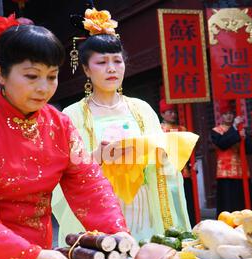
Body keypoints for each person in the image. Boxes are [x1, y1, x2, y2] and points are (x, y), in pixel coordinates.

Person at [0, 14, 131, 259]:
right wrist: (30, 255)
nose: (44, 87)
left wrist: (118, 234)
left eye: (52, 76)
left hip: (41, 249)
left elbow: (89, 185)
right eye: (32, 76)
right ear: (0, 74)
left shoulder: (59, 125)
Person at [52, 7, 191, 244]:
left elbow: (164, 158)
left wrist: (158, 152)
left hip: (143, 201)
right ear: (86, 69)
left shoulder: (141, 108)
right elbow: (62, 169)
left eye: (117, 61)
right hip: (100, 205)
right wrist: (97, 156)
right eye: (102, 62)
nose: (111, 68)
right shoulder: (72, 114)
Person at [211, 100, 252, 215]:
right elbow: (223, 144)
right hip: (225, 173)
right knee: (227, 205)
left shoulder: (241, 129)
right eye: (225, 114)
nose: (228, 116)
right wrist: (234, 128)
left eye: (230, 113)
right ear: (221, 116)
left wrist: (244, 138)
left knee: (243, 203)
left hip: (242, 171)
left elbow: (250, 149)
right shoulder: (216, 131)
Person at [160, 99, 196, 226]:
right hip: (167, 171)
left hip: (184, 171)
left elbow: (189, 149)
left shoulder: (182, 129)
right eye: (169, 112)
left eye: (174, 112)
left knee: (187, 200)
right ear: (163, 114)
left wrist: (193, 163)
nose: (173, 115)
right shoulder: (159, 129)